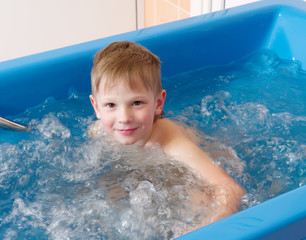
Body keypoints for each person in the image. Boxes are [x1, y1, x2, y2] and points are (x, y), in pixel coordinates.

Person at [89, 40, 244, 225]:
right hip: (147, 173)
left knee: (198, 202)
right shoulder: (98, 131)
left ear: (158, 103)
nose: (124, 118)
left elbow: (230, 188)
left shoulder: (172, 142)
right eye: (111, 105)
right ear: (97, 107)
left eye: (136, 103)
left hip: (187, 172)